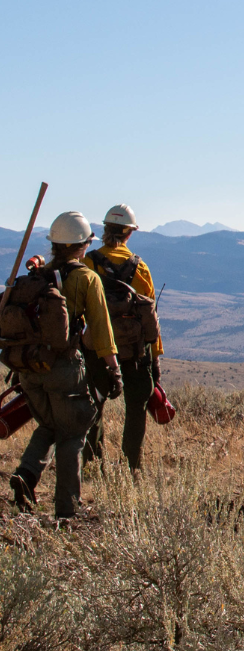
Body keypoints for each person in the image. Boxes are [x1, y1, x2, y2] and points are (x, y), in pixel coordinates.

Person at [8, 212, 122, 521]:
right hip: (64, 369)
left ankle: (26, 475)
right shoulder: (86, 278)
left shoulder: (37, 276)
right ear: (82, 245)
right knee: (72, 433)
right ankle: (68, 509)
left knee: (48, 426)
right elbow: (100, 329)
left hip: (29, 370)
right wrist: (113, 368)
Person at [82, 204, 163, 472]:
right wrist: (155, 359)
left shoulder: (88, 263)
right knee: (136, 408)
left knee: (94, 404)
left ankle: (94, 466)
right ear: (129, 234)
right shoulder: (140, 268)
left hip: (96, 350)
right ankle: (132, 468)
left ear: (105, 230)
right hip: (134, 352)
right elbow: (150, 316)